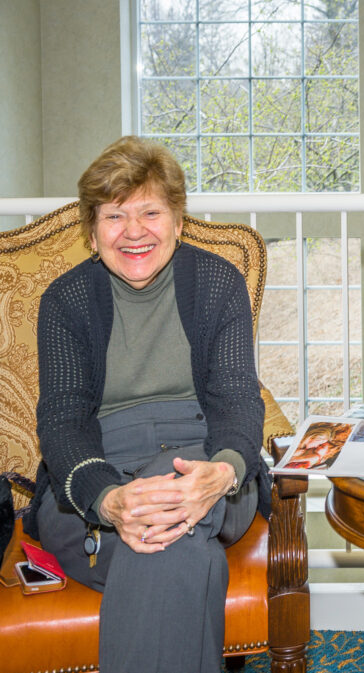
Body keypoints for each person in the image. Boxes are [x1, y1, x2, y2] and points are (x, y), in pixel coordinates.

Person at [23, 136, 271, 673]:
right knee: (181, 552)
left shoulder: (216, 283)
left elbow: (237, 398)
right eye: (115, 216)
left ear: (179, 221)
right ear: (91, 232)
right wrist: (110, 499)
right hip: (92, 486)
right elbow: (62, 422)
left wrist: (224, 472)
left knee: (166, 508)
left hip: (208, 466)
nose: (134, 231)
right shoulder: (65, 301)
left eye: (151, 212)